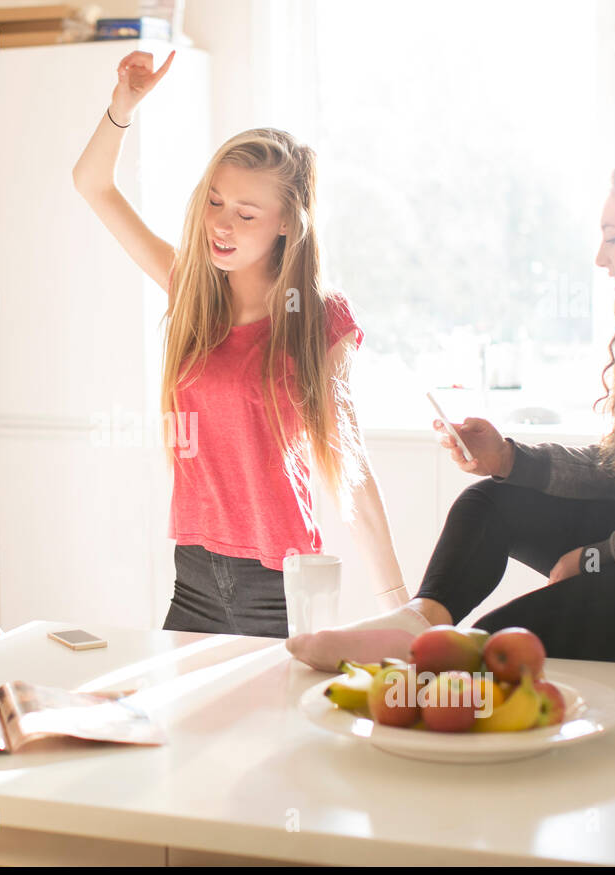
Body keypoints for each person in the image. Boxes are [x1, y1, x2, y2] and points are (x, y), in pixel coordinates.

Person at [287, 146, 615, 669]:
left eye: (614, 238)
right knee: (489, 502)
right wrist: (508, 459)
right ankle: (414, 623)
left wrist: (601, 555)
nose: (601, 259)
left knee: (493, 645)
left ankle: (425, 666)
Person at [73, 51, 407, 639]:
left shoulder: (320, 321)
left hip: (279, 583)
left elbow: (349, 469)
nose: (221, 225)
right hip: (194, 572)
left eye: (246, 213)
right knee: (182, 732)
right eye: (215, 202)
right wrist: (122, 107)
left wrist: (400, 608)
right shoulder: (192, 291)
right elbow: (92, 185)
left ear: (287, 224)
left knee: (277, 731)